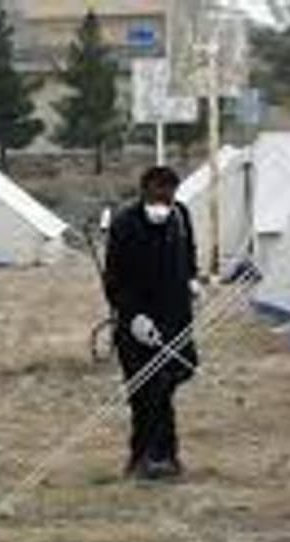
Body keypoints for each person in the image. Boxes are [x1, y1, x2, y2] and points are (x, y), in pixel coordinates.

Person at [103, 166, 200, 481]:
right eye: (159, 194)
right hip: (137, 325)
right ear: (144, 190)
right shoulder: (124, 224)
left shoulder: (180, 216)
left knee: (166, 386)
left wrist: (192, 280)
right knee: (143, 392)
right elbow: (114, 278)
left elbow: (189, 254)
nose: (165, 202)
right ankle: (143, 456)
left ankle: (165, 455)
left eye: (170, 195)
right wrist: (132, 315)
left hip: (175, 319)